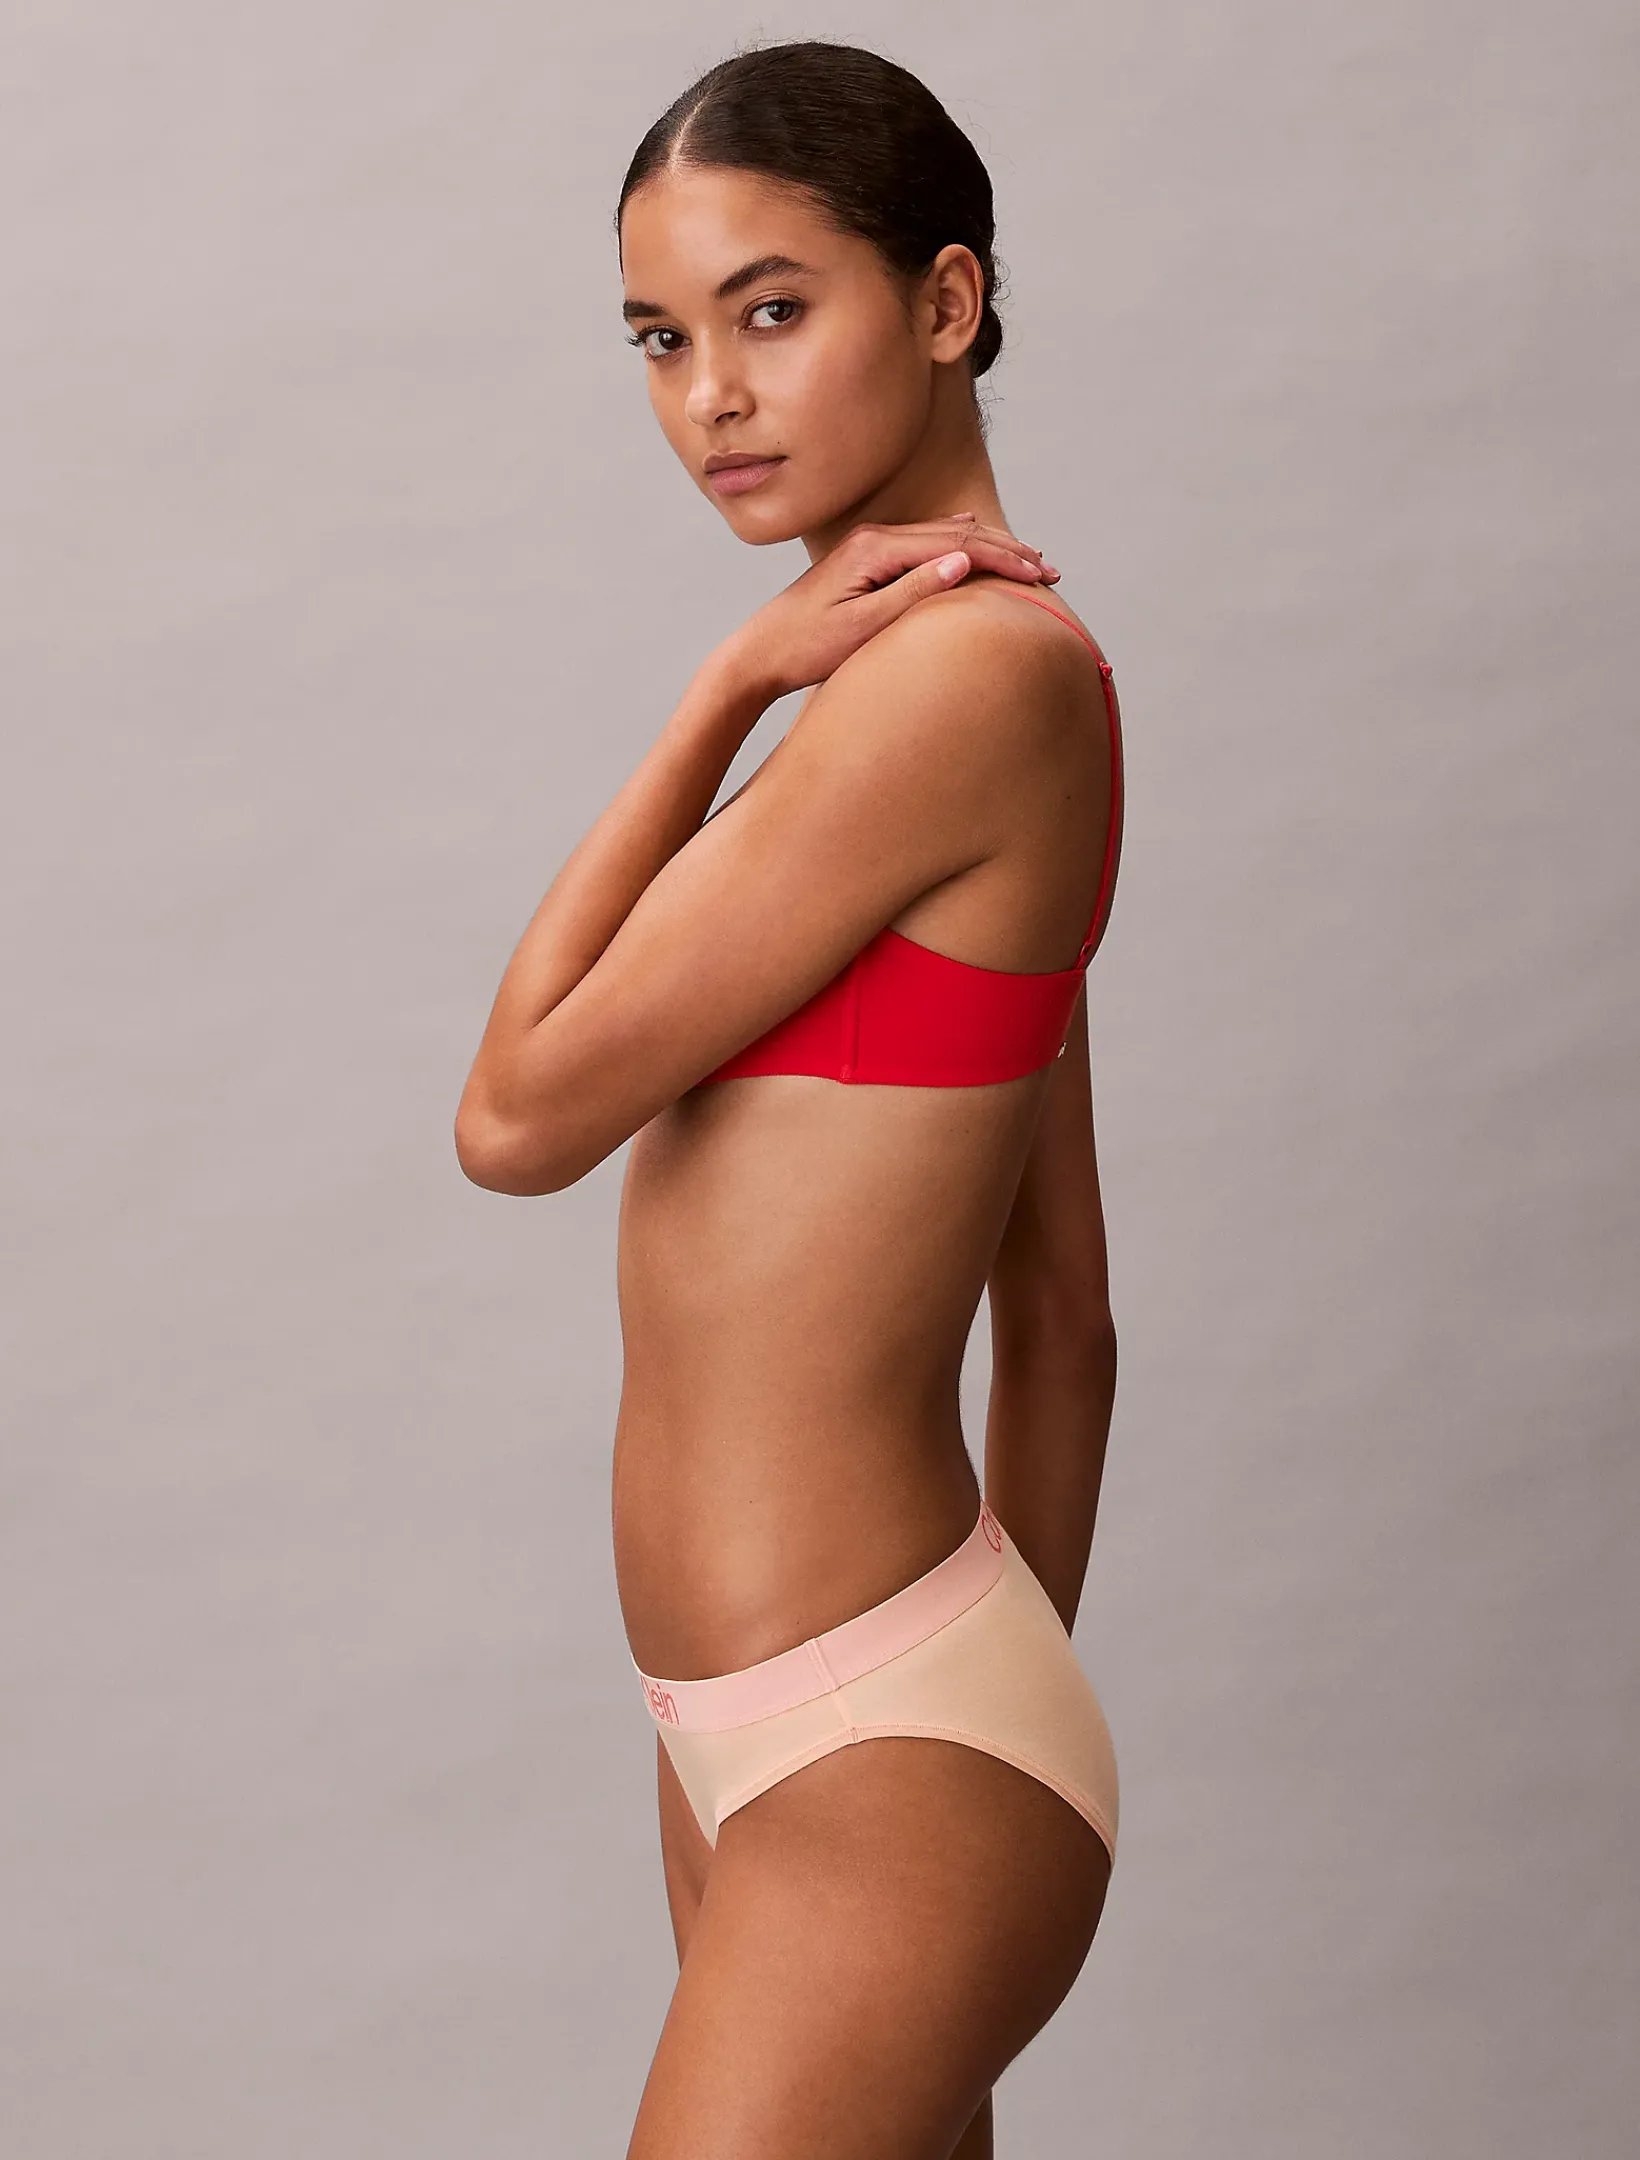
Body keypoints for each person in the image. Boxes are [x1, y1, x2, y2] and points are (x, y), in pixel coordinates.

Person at [456, 39, 1125, 2160]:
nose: (711, 399)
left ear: (945, 301)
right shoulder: (958, 693)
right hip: (795, 1724)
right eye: (661, 338)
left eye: (770, 310)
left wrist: (723, 682)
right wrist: (982, 1685)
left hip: (869, 1745)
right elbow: (1067, 1311)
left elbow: (516, 1117)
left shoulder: (965, 682)